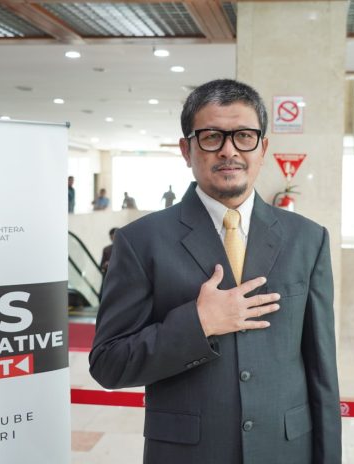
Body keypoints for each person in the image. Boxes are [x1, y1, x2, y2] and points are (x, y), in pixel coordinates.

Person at [89, 79, 341, 464]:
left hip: (285, 449)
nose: (229, 150)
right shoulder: (141, 241)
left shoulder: (308, 239)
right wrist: (199, 323)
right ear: (186, 150)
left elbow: (322, 371)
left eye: (244, 136)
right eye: (211, 137)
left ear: (263, 148)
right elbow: (109, 363)